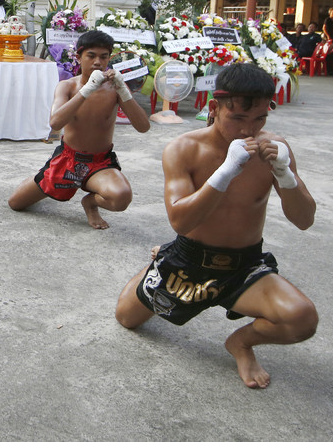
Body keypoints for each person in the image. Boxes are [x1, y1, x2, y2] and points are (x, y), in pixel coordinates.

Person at [115, 63, 317, 389]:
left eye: (260, 119)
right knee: (126, 319)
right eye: (238, 118)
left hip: (244, 265)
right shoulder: (183, 149)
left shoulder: (275, 149)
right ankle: (161, 258)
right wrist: (227, 170)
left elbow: (304, 220)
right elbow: (180, 220)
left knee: (302, 320)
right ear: (214, 107)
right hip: (188, 260)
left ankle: (241, 343)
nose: (249, 130)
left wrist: (285, 174)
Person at [8, 30, 151, 229]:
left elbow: (144, 127)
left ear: (109, 58)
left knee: (121, 198)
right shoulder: (67, 86)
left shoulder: (115, 88)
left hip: (100, 163)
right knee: (15, 203)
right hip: (68, 160)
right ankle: (40, 178)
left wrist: (123, 90)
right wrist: (86, 90)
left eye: (103, 57)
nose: (98, 62)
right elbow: (55, 123)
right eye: (91, 56)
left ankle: (90, 203)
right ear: (79, 57)